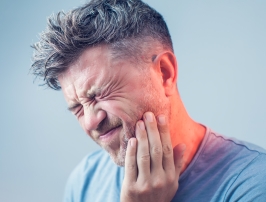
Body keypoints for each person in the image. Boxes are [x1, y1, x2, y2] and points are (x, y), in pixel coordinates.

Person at [31, 0, 266, 201]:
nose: (91, 122)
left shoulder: (252, 184)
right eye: (77, 108)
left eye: (100, 94)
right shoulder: (84, 181)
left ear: (165, 73)